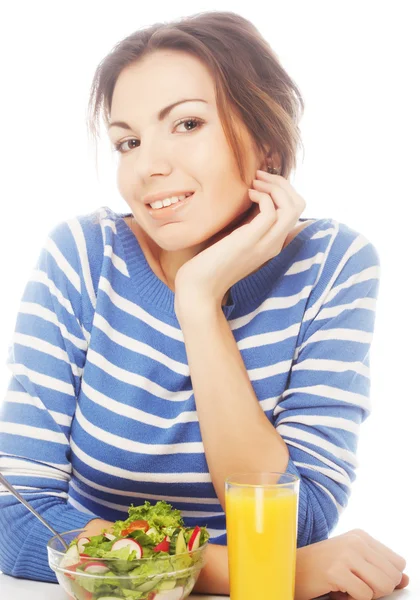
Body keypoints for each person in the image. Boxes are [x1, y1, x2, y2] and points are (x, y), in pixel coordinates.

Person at [0, 9, 409, 599]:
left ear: (266, 139)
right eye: (128, 141)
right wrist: (252, 575)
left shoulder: (333, 264)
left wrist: (199, 300)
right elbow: (19, 520)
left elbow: (297, 523)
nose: (148, 166)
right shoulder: (84, 257)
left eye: (187, 124)